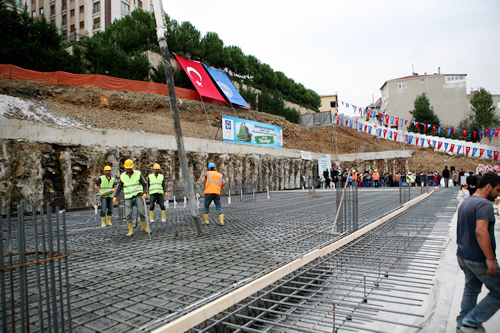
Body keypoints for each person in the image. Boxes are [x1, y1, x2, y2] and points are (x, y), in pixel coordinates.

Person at [456, 172, 500, 332]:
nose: (498, 194)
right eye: (497, 190)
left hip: (463, 255)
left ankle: (462, 323)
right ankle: (471, 322)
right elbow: (481, 231)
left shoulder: (466, 203)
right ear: (488, 187)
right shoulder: (484, 205)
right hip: (478, 258)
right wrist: (490, 259)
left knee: (472, 288)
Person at [113, 159, 150, 237]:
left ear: (132, 167)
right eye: (127, 168)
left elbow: (144, 184)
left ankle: (145, 228)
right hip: (128, 197)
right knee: (128, 214)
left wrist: (145, 193)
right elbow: (119, 187)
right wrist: (115, 196)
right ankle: (130, 231)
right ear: (125, 168)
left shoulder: (138, 174)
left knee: (141, 212)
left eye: (130, 168)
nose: (129, 169)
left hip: (138, 196)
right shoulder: (122, 176)